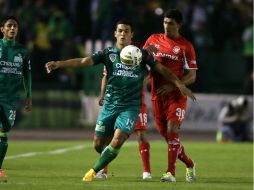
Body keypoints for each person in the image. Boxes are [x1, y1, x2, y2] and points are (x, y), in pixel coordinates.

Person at [45, 19, 196, 182]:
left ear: (132, 35)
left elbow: (163, 70)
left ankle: (94, 171)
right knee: (98, 144)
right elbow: (83, 61)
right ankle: (105, 164)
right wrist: (59, 64)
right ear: (115, 34)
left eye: (126, 31)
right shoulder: (107, 53)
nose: (123, 33)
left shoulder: (141, 55)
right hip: (110, 105)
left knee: (118, 140)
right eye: (120, 31)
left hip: (130, 107)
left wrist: (179, 84)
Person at [143, 9, 198, 182]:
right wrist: (145, 53)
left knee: (172, 130)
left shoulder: (186, 46)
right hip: (156, 95)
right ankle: (189, 164)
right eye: (165, 22)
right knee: (168, 137)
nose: (167, 26)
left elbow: (192, 75)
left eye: (171, 23)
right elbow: (140, 62)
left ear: (179, 25)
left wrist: (172, 85)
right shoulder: (153, 39)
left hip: (176, 95)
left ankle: (170, 173)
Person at [97, 69, 152, 180]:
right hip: (115, 101)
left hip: (136, 102)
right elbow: (106, 76)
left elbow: (153, 70)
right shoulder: (112, 53)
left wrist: (142, 83)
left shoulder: (141, 53)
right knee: (108, 136)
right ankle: (103, 170)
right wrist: (102, 94)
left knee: (141, 134)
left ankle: (147, 172)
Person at [0, 15, 32, 182]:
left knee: (4, 131)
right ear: (2, 29)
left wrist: (29, 96)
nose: (12, 29)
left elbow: (27, 75)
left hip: (11, 98)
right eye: (9, 26)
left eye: (15, 26)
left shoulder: (22, 51)